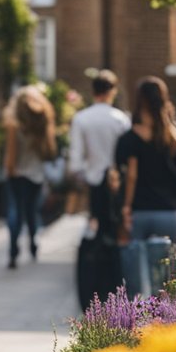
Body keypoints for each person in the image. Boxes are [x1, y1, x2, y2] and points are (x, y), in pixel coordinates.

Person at [118, 76, 176, 250]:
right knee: (172, 273)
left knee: (138, 272)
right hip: (169, 211)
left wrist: (126, 206)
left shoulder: (131, 138)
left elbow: (132, 175)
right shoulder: (171, 136)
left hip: (139, 212)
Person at [68, 70, 131, 240]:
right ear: (112, 91)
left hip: (92, 180)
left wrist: (79, 177)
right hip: (117, 181)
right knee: (114, 224)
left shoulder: (81, 118)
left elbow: (76, 156)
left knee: (95, 225)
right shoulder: (121, 120)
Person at [3, 86, 57, 268]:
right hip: (36, 175)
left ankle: (13, 250)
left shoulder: (14, 126)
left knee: (15, 212)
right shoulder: (43, 123)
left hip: (17, 175)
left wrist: (9, 171)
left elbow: (11, 155)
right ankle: (33, 243)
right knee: (31, 211)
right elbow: (50, 151)